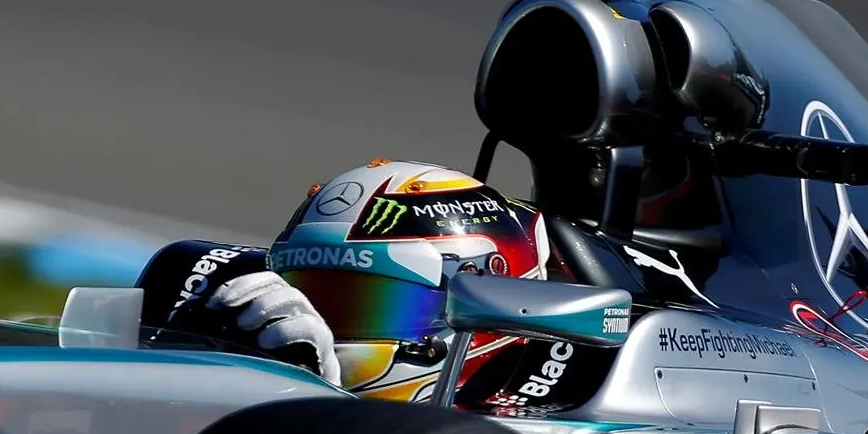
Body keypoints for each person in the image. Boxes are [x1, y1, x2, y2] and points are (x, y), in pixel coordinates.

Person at [137, 159, 587, 409]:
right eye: (309, 292)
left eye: (366, 303)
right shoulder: (249, 312)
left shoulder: (576, 412)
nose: (311, 328)